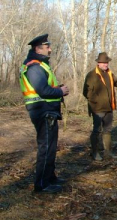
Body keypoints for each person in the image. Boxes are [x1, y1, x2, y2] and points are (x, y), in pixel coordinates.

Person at [19, 34, 70, 193]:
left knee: (51, 146)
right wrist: (60, 91)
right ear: (38, 48)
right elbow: (43, 90)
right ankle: (42, 184)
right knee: (46, 147)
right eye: (47, 46)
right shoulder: (34, 66)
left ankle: (50, 177)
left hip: (46, 110)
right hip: (42, 110)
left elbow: (45, 87)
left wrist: (57, 90)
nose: (50, 48)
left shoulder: (40, 65)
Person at [83, 52, 117, 161]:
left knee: (107, 130)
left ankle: (108, 152)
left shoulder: (109, 73)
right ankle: (95, 152)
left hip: (109, 108)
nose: (106, 65)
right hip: (97, 109)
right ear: (98, 63)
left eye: (107, 63)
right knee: (97, 131)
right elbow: (86, 92)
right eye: (103, 63)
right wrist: (95, 102)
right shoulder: (91, 75)